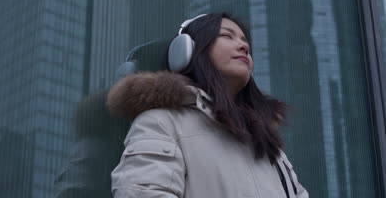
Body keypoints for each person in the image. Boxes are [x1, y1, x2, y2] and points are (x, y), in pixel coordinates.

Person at [106, 12, 309, 197]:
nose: (244, 46)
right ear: (187, 50)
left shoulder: (268, 144)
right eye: (227, 36)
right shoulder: (161, 122)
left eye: (244, 41)